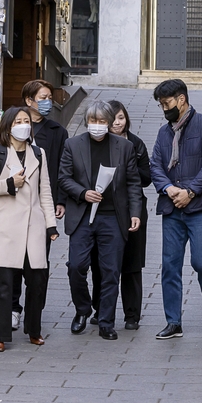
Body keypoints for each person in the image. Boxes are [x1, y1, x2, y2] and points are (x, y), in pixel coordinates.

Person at [59, 101, 142, 340]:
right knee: (76, 266)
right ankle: (82, 310)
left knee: (110, 271)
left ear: (109, 123)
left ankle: (106, 321)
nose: (97, 126)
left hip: (113, 218)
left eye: (102, 122)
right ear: (87, 122)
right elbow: (63, 178)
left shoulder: (124, 147)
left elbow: (133, 183)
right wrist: (82, 193)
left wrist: (135, 212)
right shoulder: (72, 145)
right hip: (82, 217)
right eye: (93, 121)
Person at [0, 107, 58, 352]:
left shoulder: (38, 153)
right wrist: (9, 184)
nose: (23, 125)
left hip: (35, 227)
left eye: (27, 121)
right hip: (6, 227)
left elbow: (45, 192)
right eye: (18, 121)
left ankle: (34, 330)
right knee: (3, 283)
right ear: (8, 126)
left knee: (37, 281)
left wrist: (51, 224)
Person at [150, 79, 202, 339]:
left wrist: (190, 192)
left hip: (200, 206)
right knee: (170, 266)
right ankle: (173, 322)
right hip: (172, 208)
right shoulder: (163, 132)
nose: (164, 109)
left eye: (167, 103)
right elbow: (156, 166)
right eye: (161, 105)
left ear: (181, 99)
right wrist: (170, 190)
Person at [10, 79, 69, 331]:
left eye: (49, 97)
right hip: (13, 205)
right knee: (11, 261)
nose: (47, 102)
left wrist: (61, 200)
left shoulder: (57, 132)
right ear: (29, 101)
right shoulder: (10, 129)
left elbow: (62, 169)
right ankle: (13, 308)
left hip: (42, 207)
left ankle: (35, 311)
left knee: (38, 263)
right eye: (42, 97)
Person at [89, 100, 152, 330]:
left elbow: (146, 178)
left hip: (132, 209)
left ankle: (132, 315)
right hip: (103, 210)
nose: (117, 123)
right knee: (101, 263)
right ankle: (100, 309)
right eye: (112, 118)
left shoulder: (135, 144)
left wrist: (129, 161)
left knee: (132, 264)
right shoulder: (97, 144)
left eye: (121, 118)